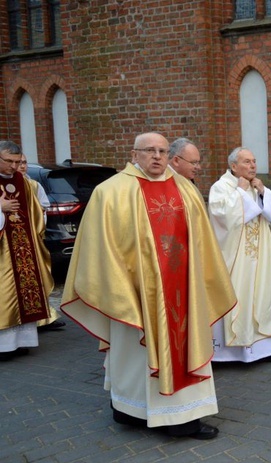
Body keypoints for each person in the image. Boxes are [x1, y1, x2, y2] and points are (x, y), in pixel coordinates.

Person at [62, 132, 237, 439]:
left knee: (177, 346)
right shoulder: (111, 191)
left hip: (181, 288)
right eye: (149, 151)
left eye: (162, 151)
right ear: (135, 154)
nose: (157, 156)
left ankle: (181, 418)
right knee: (133, 353)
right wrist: (122, 288)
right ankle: (131, 410)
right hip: (134, 292)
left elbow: (202, 244)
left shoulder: (185, 189)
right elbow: (98, 248)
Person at [208, 147, 271, 363]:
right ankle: (226, 354)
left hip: (258, 258)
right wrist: (240, 193)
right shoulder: (221, 187)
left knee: (260, 298)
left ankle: (264, 349)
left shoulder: (256, 186)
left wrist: (263, 193)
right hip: (235, 258)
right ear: (234, 166)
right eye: (246, 162)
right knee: (236, 297)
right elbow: (222, 216)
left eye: (254, 161)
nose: (253, 166)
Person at [0, 141, 53, 361]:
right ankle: (3, 346)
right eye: (8, 161)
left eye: (17, 161)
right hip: (2, 253)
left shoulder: (26, 183)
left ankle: (23, 342)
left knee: (26, 294)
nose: (14, 166)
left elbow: (39, 213)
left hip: (25, 251)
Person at [17, 154, 66, 331]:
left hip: (32, 238)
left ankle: (44, 317)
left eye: (23, 162)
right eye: (17, 163)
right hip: (13, 241)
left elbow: (43, 208)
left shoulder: (33, 184)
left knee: (37, 278)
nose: (21, 166)